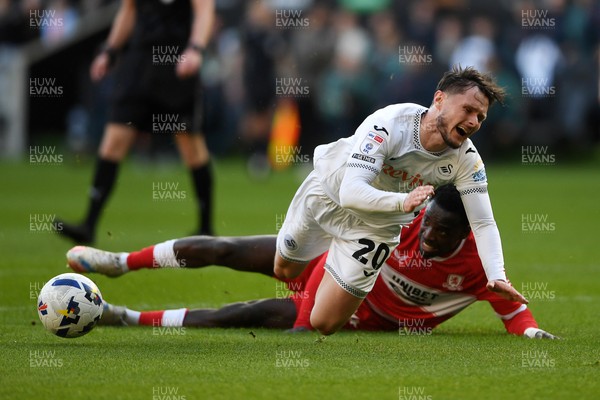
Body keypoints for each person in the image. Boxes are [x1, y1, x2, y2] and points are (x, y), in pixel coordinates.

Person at [66, 185, 557, 339]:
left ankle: (125, 317)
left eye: (441, 232)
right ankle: (120, 262)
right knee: (225, 249)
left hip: (361, 312)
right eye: (426, 222)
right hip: (327, 265)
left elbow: (513, 311)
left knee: (244, 314)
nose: (427, 235)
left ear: (467, 234)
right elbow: (344, 238)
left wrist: (533, 333)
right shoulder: (404, 217)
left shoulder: (476, 265)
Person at [273, 65, 527, 335]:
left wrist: (496, 275)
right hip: (329, 195)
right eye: (468, 110)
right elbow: (350, 192)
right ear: (439, 100)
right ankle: (325, 257)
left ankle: (337, 263)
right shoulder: (391, 123)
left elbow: (483, 222)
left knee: (324, 324)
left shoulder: (467, 161)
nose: (474, 122)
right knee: (284, 270)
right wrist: (402, 202)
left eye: (480, 117)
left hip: (376, 226)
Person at [56, 0, 216, 244]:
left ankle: (206, 229)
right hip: (138, 62)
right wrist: (110, 51)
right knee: (113, 141)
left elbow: (204, 11)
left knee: (191, 147)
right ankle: (88, 224)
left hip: (177, 62)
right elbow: (129, 10)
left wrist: (196, 49)